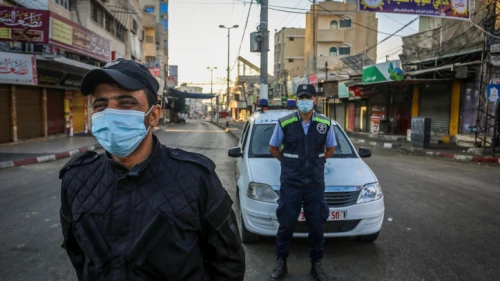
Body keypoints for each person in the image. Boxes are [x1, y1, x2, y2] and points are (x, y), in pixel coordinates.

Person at [59, 59, 245, 281]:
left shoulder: (196, 179)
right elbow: (78, 255)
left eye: (126, 103)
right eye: (100, 105)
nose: (110, 113)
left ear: (154, 115)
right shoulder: (76, 179)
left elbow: (228, 261)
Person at [268, 84, 337, 281]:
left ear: (315, 100)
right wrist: (289, 163)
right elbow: (273, 148)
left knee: (316, 225)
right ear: (297, 100)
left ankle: (316, 264)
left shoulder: (325, 123)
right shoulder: (285, 122)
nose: (304, 101)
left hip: (314, 183)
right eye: (301, 98)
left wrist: (317, 162)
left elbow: (331, 148)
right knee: (287, 224)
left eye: (308, 97)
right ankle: (281, 262)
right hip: (291, 183)